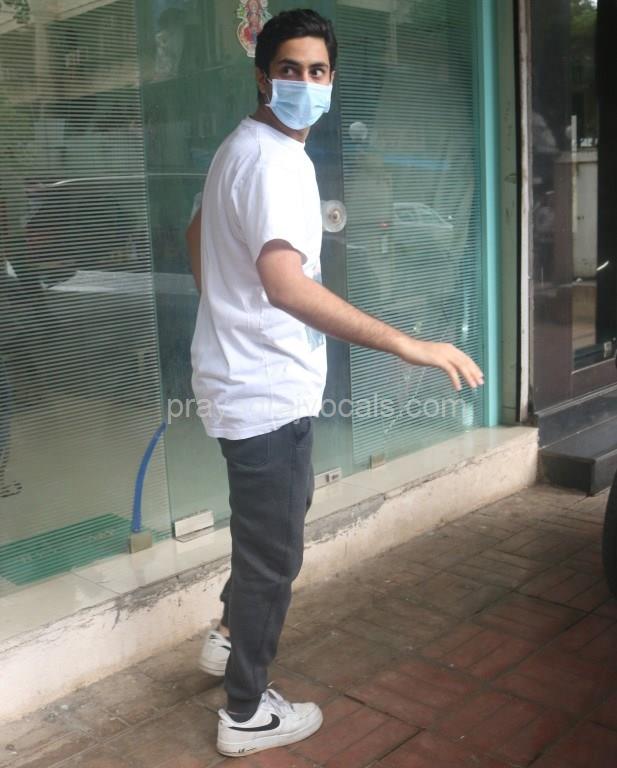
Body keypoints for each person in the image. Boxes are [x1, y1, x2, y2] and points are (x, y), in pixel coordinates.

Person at [187, 9, 484, 757]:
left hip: (245, 380)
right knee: (274, 559)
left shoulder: (240, 147)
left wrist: (226, 311)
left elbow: (196, 235)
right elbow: (286, 285)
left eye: (318, 71)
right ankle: (245, 712)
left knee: (270, 530)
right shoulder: (275, 164)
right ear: (264, 77)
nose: (305, 83)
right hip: (264, 393)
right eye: (290, 69)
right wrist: (407, 343)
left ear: (332, 79)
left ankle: (227, 635)